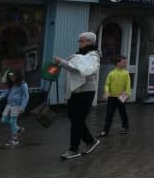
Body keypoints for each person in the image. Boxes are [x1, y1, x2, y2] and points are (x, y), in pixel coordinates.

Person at [54, 31, 101, 160]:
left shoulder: (93, 55)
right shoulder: (78, 55)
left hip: (85, 92)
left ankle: (73, 149)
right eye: (79, 40)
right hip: (74, 91)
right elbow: (72, 66)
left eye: (82, 40)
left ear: (90, 42)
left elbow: (81, 70)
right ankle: (90, 141)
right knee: (75, 119)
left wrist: (62, 63)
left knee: (77, 121)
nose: (79, 43)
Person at [99, 55, 131, 137]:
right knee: (109, 114)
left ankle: (125, 126)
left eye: (125, 62)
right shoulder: (111, 73)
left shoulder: (126, 73)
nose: (125, 64)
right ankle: (105, 130)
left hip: (122, 96)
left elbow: (128, 85)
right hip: (112, 97)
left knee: (122, 112)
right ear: (118, 63)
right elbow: (107, 84)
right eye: (124, 62)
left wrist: (127, 94)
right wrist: (106, 92)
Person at [0, 68, 28, 146]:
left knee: (13, 122)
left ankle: (15, 140)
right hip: (9, 105)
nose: (11, 78)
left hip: (17, 106)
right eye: (10, 76)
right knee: (3, 120)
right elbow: (6, 91)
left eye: (13, 76)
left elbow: (26, 96)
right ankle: (18, 129)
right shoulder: (12, 84)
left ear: (18, 76)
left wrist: (22, 107)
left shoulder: (23, 85)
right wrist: (0, 97)